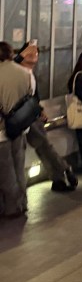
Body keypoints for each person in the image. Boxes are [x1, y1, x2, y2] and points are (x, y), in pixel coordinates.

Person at [16, 42, 78, 192]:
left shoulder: (29, 73)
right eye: (30, 54)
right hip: (19, 117)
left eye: (36, 54)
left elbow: (32, 96)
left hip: (28, 116)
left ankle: (59, 176)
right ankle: (63, 172)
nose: (34, 57)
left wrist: (39, 110)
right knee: (40, 148)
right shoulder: (17, 71)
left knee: (43, 147)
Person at [0, 41, 33, 218]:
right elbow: (30, 94)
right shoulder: (24, 73)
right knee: (19, 168)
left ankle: (11, 208)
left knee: (6, 172)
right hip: (20, 127)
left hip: (1, 132)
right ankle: (23, 203)